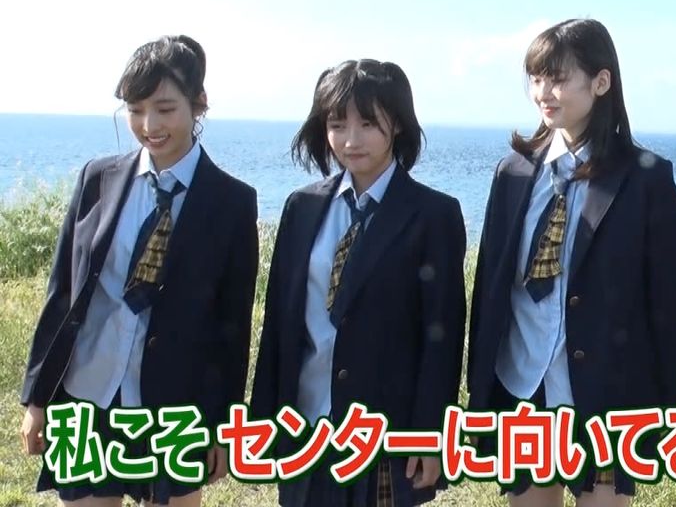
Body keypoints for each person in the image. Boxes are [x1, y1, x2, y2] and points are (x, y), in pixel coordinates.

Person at [21, 35, 259, 505]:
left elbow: (232, 329)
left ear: (199, 103)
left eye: (165, 109)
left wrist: (222, 424)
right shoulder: (98, 178)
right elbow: (62, 293)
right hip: (87, 397)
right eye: (135, 109)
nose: (150, 126)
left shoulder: (232, 202)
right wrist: (37, 397)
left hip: (177, 410)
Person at [466, 18, 676, 506]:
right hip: (523, 388)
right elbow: (490, 288)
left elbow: (671, 309)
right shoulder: (513, 173)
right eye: (536, 78)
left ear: (601, 81)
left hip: (608, 400)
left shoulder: (646, 180)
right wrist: (478, 391)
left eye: (558, 78)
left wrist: (665, 416)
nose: (543, 93)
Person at [250, 59, 466, 506]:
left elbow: (442, 338)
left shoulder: (433, 215)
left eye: (368, 123)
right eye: (337, 124)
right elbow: (279, 325)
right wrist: (262, 423)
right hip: (305, 426)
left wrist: (432, 433)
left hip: (385, 432)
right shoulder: (302, 207)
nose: (351, 139)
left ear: (398, 124)